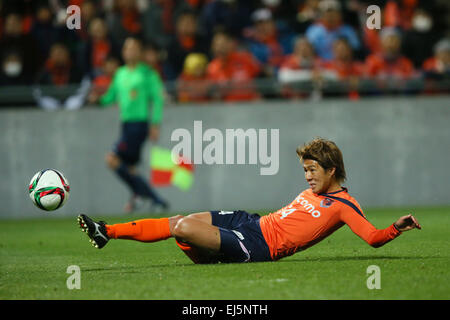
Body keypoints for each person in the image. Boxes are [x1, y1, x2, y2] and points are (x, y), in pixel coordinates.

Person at [77, 138, 421, 264]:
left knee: (183, 229)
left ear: (332, 170)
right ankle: (107, 231)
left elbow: (373, 238)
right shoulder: (312, 192)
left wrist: (396, 228)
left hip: (259, 246)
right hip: (252, 222)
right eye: (304, 170)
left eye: (312, 170)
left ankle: (209, 255)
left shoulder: (345, 207)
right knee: (179, 222)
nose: (307, 177)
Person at [88, 37, 169, 213]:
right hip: (125, 125)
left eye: (134, 48)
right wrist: (98, 100)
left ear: (140, 52)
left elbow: (157, 99)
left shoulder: (148, 73)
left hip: (139, 125)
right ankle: (156, 200)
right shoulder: (120, 74)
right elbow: (111, 97)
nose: (130, 51)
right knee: (130, 168)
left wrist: (155, 124)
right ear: (123, 52)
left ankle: (143, 195)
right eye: (127, 48)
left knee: (112, 159)